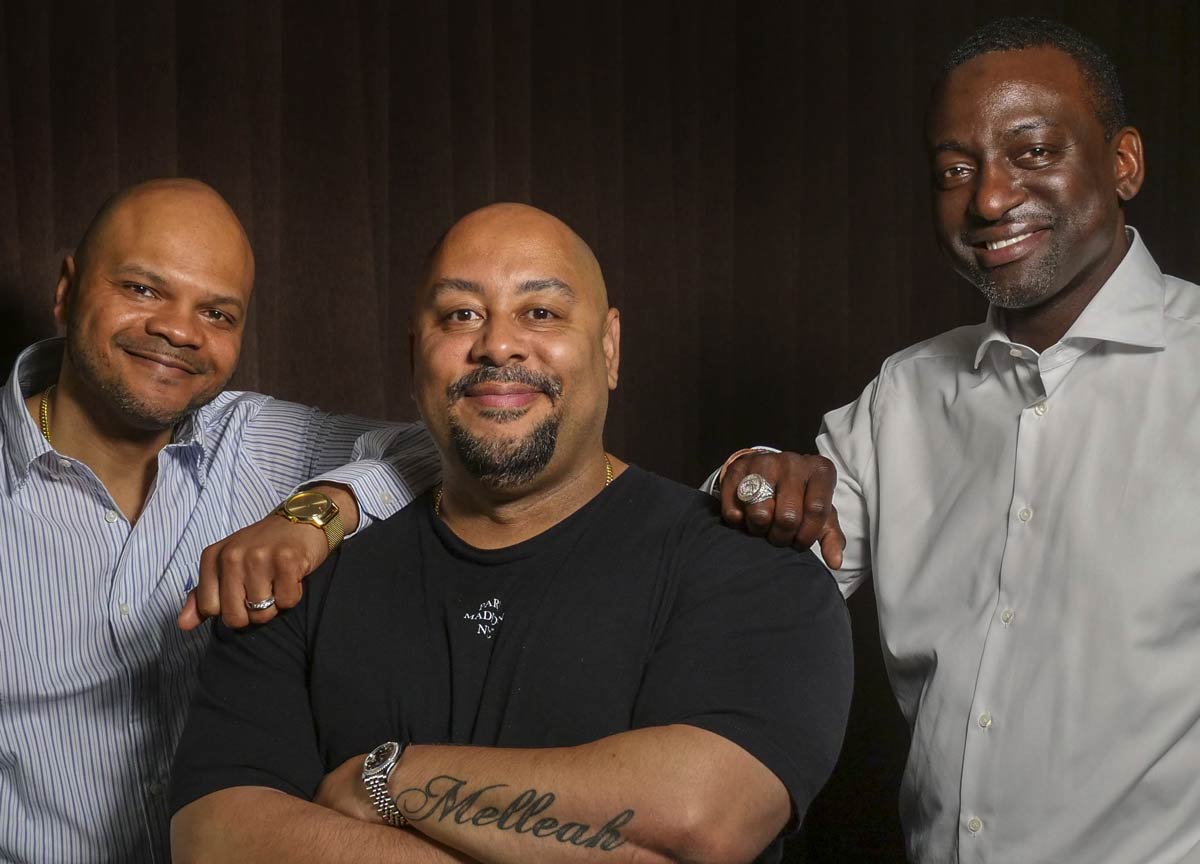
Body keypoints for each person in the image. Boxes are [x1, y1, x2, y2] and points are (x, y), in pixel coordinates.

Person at [169, 202, 854, 864]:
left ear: (609, 347)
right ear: (416, 355)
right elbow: (215, 840)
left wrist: (386, 780)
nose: (497, 344)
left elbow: (703, 821)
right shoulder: (293, 574)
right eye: (461, 314)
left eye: (541, 312)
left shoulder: (750, 567)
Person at [717, 17, 1200, 864]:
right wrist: (752, 484)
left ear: (1123, 163)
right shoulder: (902, 398)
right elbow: (748, 590)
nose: (987, 199)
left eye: (1033, 152)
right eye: (955, 170)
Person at [0, 178, 438, 862]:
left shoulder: (255, 439)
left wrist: (313, 514)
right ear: (66, 288)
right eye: (143, 289)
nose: (179, 330)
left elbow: (449, 449)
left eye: (218, 313)